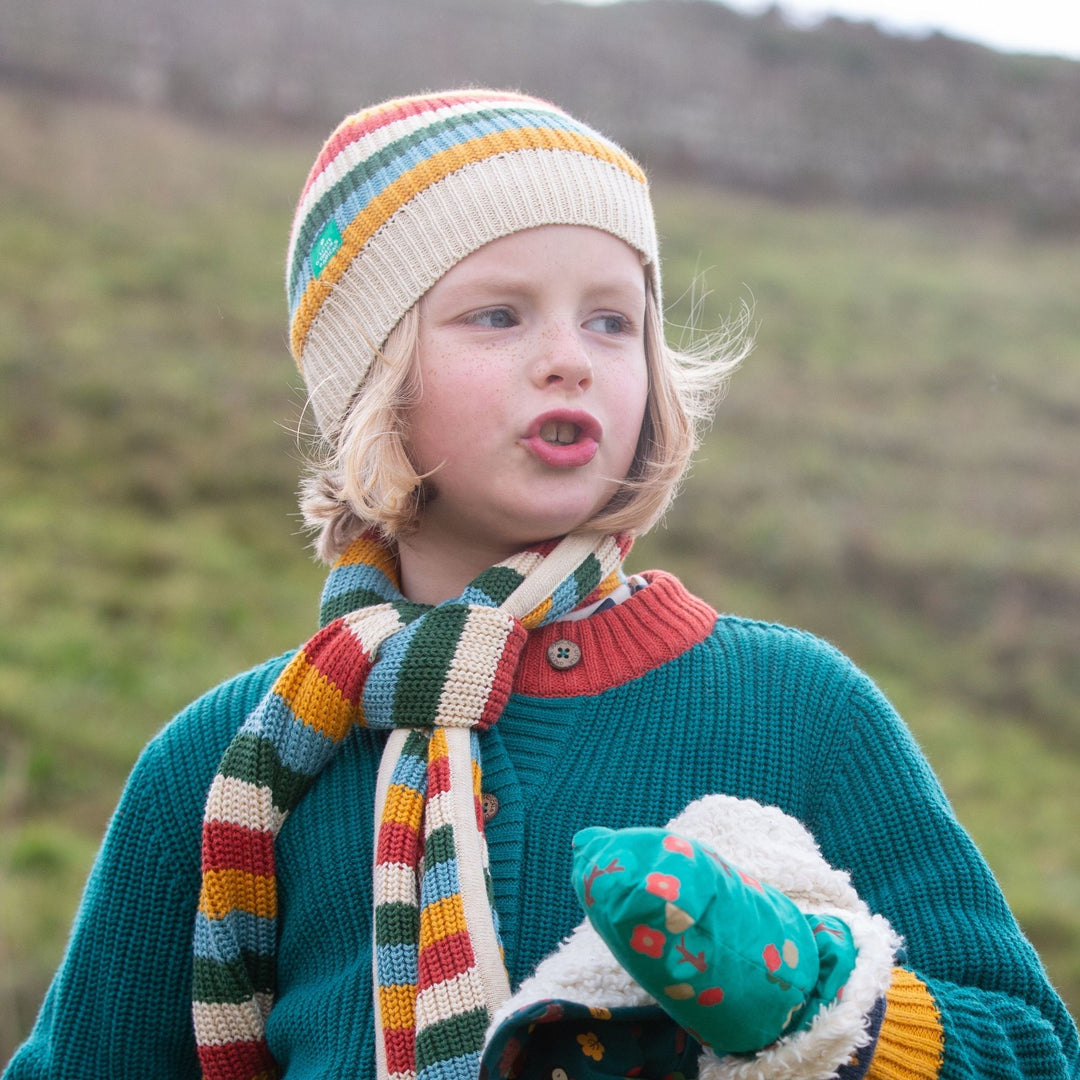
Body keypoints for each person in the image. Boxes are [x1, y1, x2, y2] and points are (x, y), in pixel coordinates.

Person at [5, 88, 1076, 1080]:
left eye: (611, 320)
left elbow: (1035, 1051)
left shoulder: (800, 710)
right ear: (373, 379)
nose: (569, 356)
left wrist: (821, 1007)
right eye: (499, 315)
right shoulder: (224, 767)